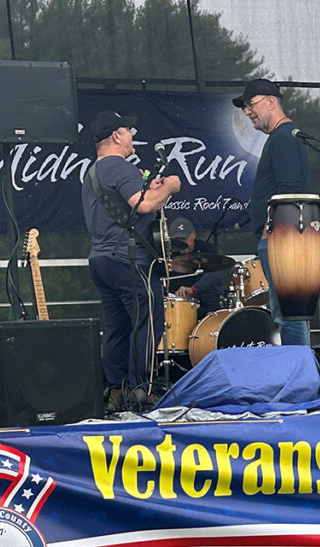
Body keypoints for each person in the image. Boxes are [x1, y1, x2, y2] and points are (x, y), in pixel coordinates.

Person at [81, 110, 181, 409]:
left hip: (101, 260)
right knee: (148, 323)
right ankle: (143, 390)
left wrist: (150, 188)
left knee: (116, 327)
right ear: (116, 136)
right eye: (129, 130)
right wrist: (171, 185)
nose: (132, 135)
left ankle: (115, 391)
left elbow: (133, 200)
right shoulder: (119, 166)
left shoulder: (95, 171)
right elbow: (145, 204)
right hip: (127, 260)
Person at [233, 78, 311, 346]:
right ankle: (300, 371)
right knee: (288, 310)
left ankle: (298, 375)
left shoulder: (283, 139)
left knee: (287, 312)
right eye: (244, 107)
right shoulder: (282, 137)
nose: (247, 111)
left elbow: (288, 190)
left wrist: (271, 230)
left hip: (280, 237)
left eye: (250, 104)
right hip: (283, 236)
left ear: (271, 101)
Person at [168, 217, 230, 316]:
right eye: (177, 240)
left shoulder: (207, 249)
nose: (182, 244)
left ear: (193, 235)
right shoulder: (167, 255)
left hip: (207, 304)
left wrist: (193, 289)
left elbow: (217, 273)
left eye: (184, 239)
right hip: (177, 307)